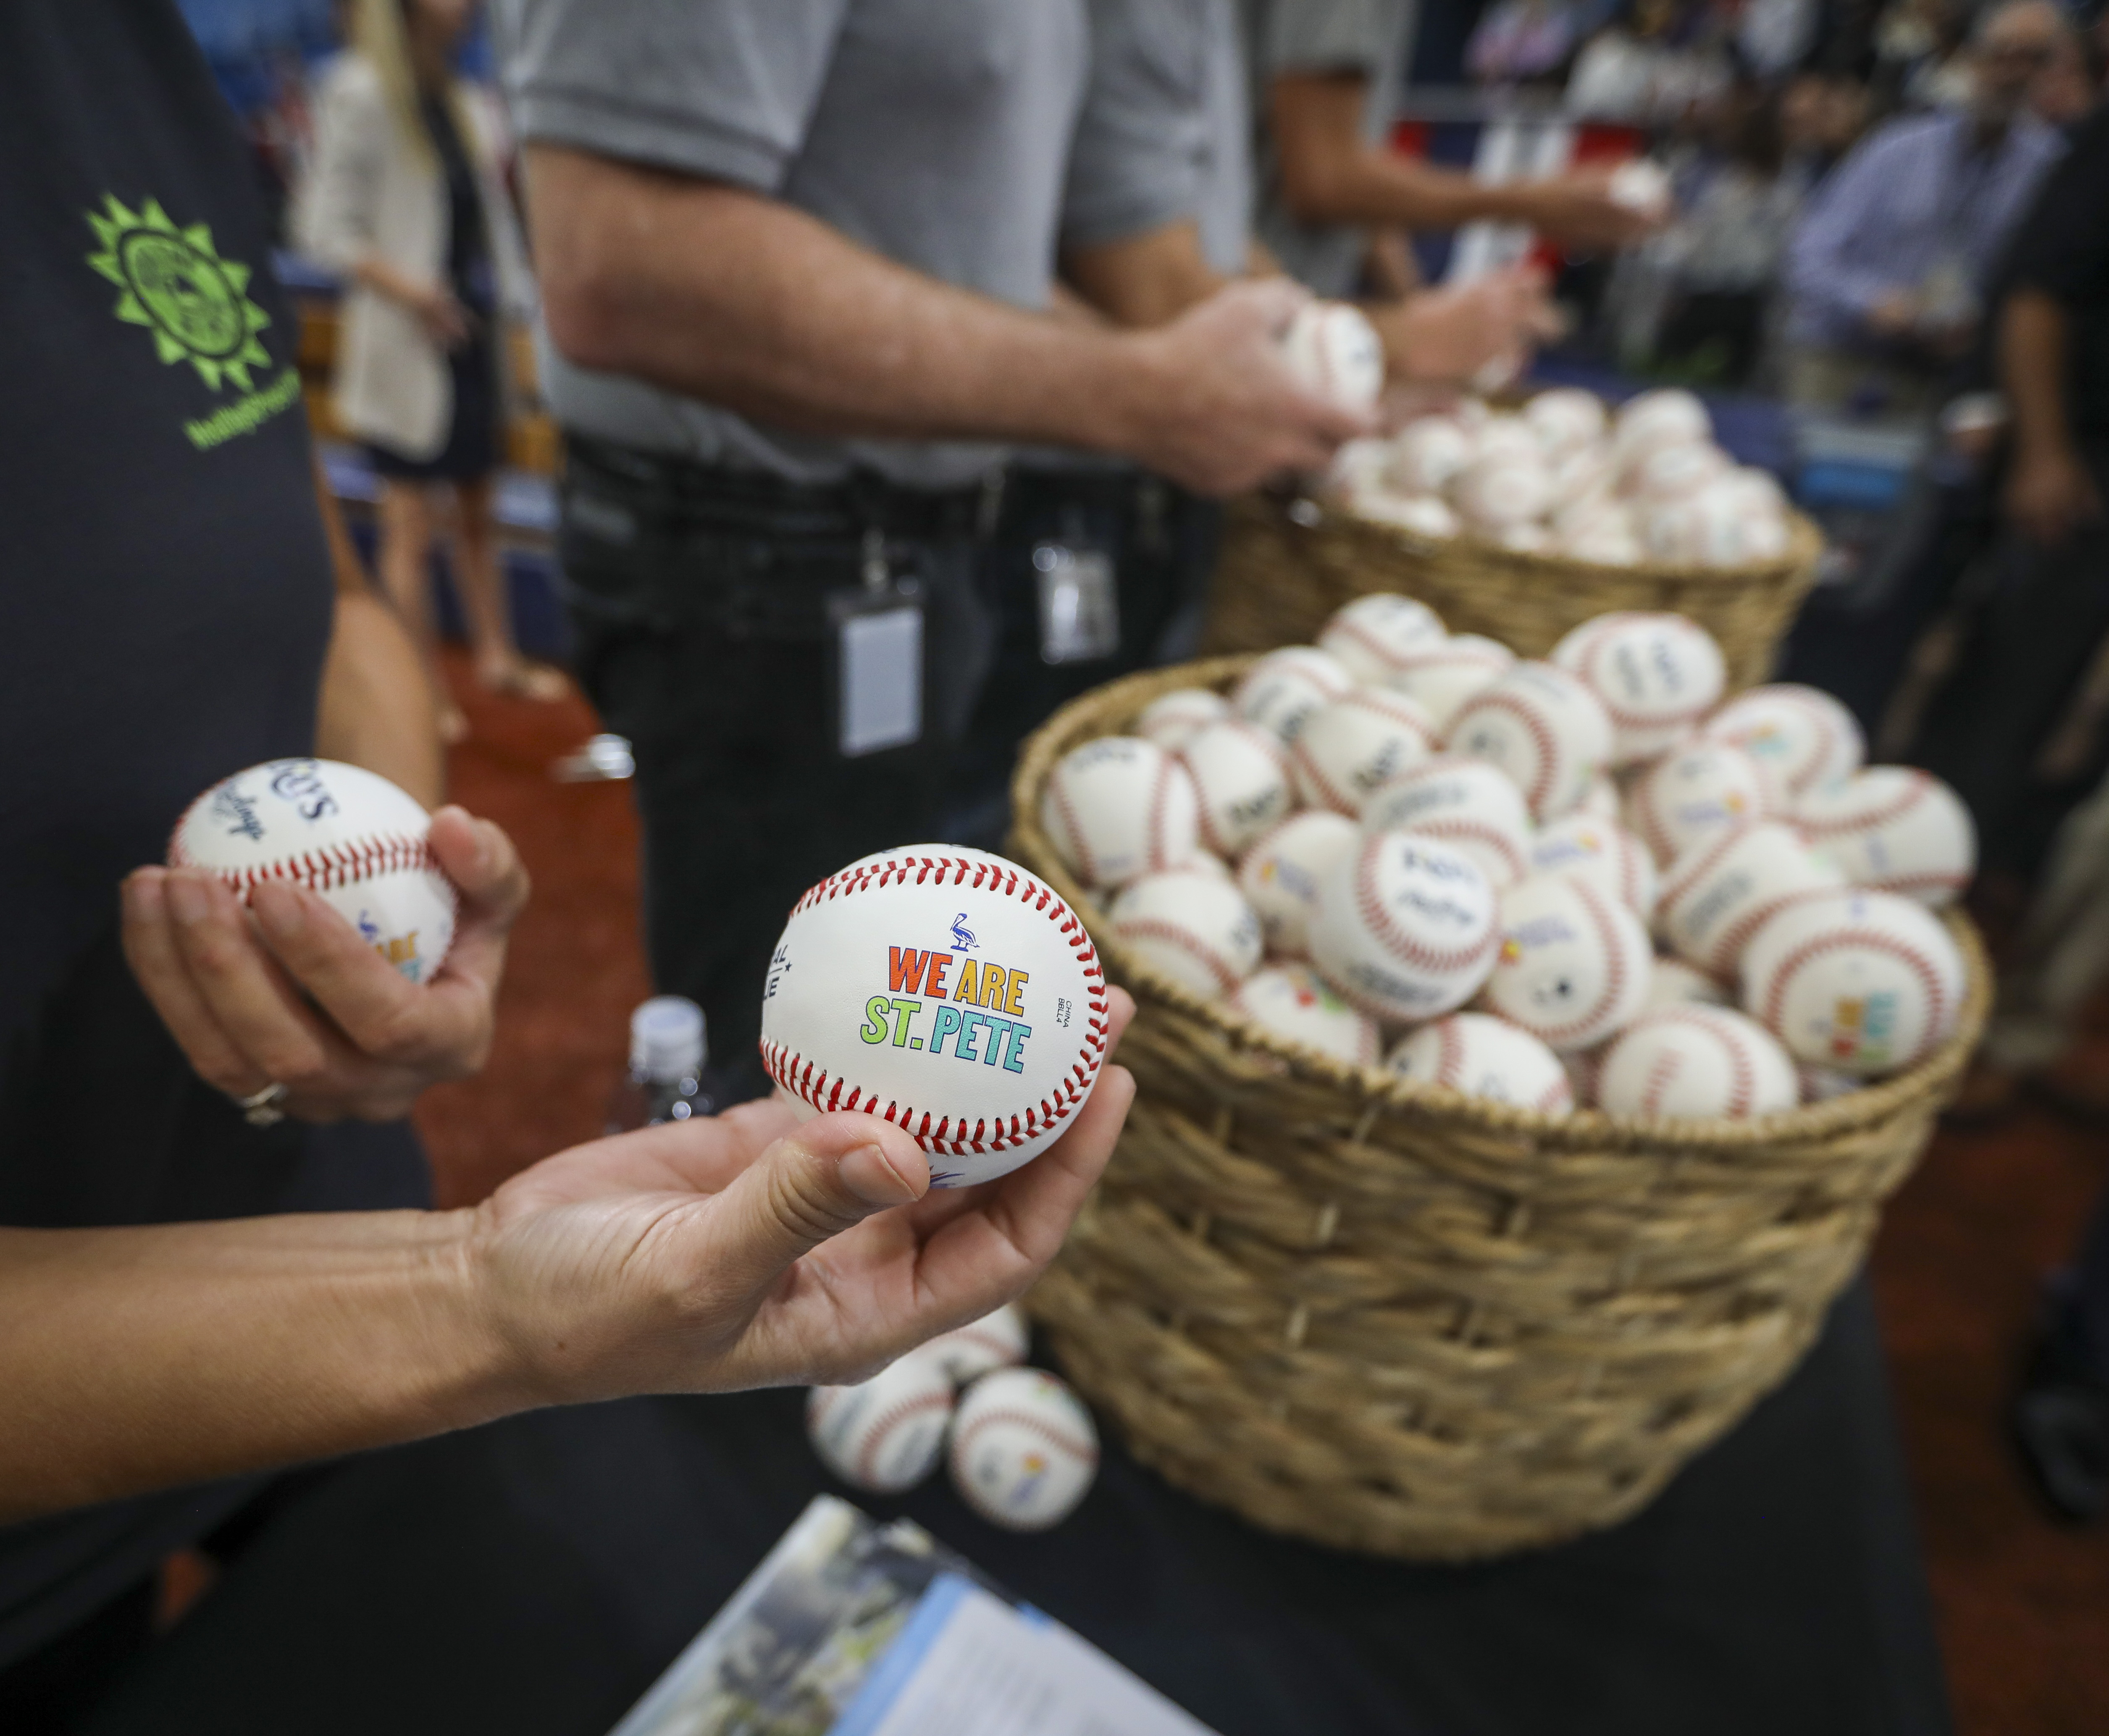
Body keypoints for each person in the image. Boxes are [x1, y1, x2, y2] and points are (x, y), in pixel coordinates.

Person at [0, 5, 1137, 1726]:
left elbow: (318, 580)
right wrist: (467, 1304)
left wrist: (380, 911)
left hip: (324, 1242)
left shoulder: (118, 47)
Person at [490, 0, 1372, 1104]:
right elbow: (617, 257)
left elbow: (973, 259)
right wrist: (1132, 390)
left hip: (933, 542)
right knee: (782, 1109)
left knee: (904, 1075)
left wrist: (1171, 384)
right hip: (763, 556)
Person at [297, 0, 561, 743]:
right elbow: (321, 229)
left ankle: (496, 658)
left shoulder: (463, 98)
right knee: (410, 528)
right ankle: (424, 691)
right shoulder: (357, 90)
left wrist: (513, 305)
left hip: (470, 342)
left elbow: (494, 224)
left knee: (480, 511)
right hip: (408, 346)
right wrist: (415, 292)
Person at [1241, 0, 1660, 305]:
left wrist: (1417, 309)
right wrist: (1534, 201)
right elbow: (1323, 179)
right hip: (1235, 316)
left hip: (1269, 313)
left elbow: (1342, 157)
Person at [1782, 0, 2070, 414]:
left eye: (2031, 59)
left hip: (1945, 382)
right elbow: (1808, 255)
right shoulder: (1898, 147)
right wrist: (1871, 301)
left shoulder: (2049, 168)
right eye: (2000, 54)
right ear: (1970, 59)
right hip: (1843, 362)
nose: (2010, 73)